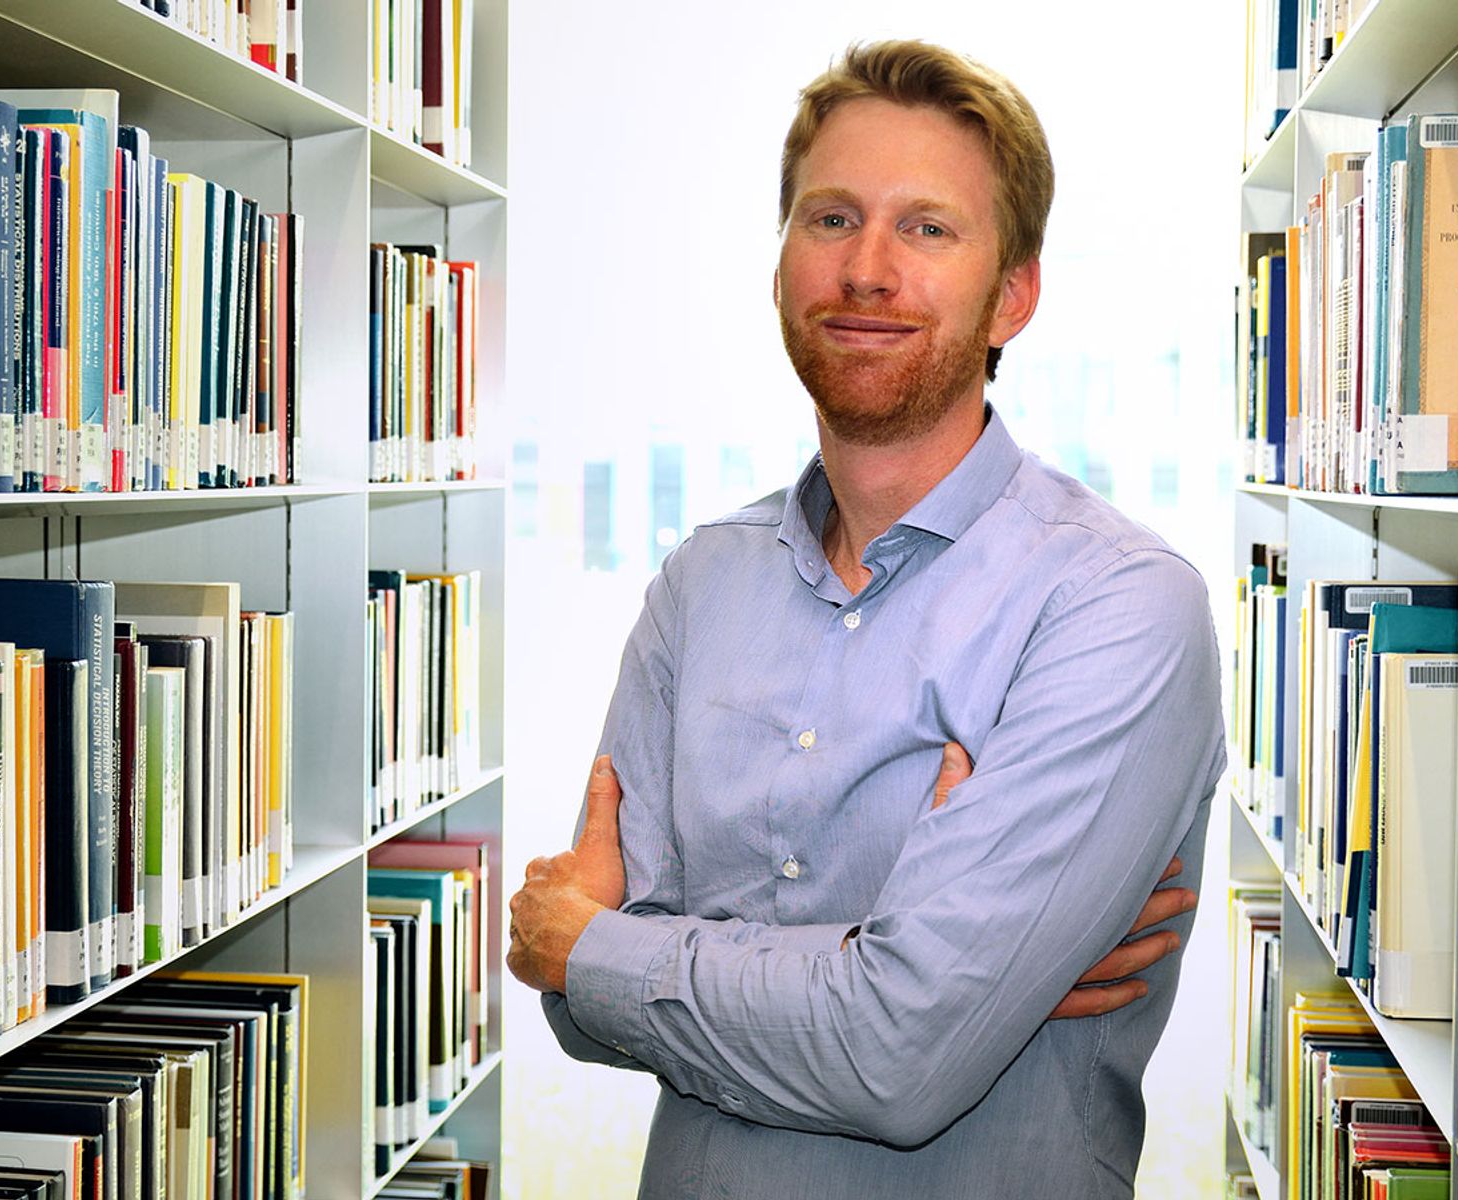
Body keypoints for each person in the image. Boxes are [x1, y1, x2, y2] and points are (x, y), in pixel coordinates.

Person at [507, 39, 1226, 1198]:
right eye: (830, 218)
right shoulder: (702, 584)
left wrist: (603, 949)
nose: (868, 270)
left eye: (929, 228)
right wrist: (881, 963)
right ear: (783, 258)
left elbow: (897, 1059)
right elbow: (581, 1018)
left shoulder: (1116, 605)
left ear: (1014, 294)